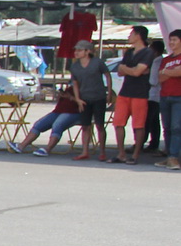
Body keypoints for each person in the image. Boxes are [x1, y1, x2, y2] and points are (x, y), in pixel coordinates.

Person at [111, 25, 153, 164]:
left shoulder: (148, 52)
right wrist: (132, 70)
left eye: (131, 34)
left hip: (140, 93)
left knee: (138, 125)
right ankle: (121, 153)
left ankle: (135, 154)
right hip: (125, 91)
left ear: (138, 35)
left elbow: (137, 72)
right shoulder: (129, 52)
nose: (129, 36)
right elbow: (120, 71)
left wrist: (128, 69)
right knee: (118, 123)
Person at [67, 39, 114, 161]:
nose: (76, 52)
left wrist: (109, 92)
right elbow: (75, 83)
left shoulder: (97, 63)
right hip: (84, 98)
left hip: (99, 97)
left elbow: (107, 75)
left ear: (87, 51)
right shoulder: (75, 66)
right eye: (76, 50)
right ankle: (85, 151)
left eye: (79, 50)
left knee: (100, 125)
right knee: (85, 126)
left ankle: (102, 151)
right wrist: (77, 99)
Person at [8, 85, 81, 157]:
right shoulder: (70, 87)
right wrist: (61, 96)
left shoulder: (83, 88)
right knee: (38, 125)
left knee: (57, 125)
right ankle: (21, 146)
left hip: (73, 112)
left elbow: (83, 102)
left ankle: (47, 149)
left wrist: (71, 97)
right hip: (58, 111)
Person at [156, 29, 181, 170]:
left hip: (179, 97)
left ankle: (174, 157)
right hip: (165, 96)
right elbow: (160, 78)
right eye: (170, 40)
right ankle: (169, 156)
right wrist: (172, 72)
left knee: (176, 127)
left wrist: (167, 72)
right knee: (167, 128)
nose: (171, 42)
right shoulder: (166, 59)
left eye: (174, 40)